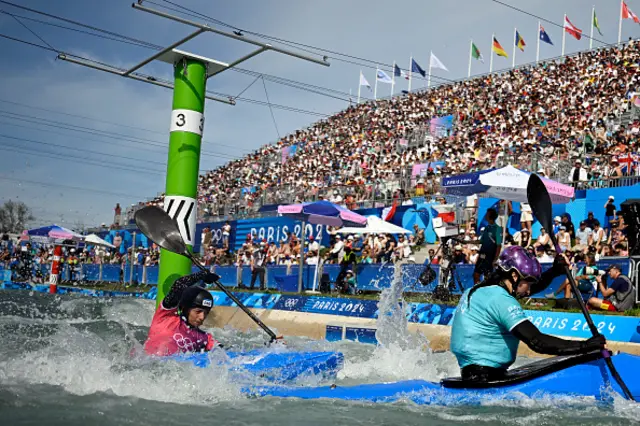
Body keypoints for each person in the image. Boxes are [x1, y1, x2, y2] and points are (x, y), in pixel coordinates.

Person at [451, 246, 607, 382]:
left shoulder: (476, 291)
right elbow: (537, 342)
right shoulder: (500, 299)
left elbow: (528, 288)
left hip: (471, 373)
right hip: (487, 378)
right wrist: (585, 346)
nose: (529, 290)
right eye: (529, 281)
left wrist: (554, 271)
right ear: (514, 276)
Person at [144, 270, 221, 356]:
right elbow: (179, 286)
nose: (202, 317)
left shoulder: (204, 338)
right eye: (198, 311)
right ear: (185, 308)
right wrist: (200, 275)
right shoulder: (165, 317)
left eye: (206, 313)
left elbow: (225, 354)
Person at [473, 208, 502, 284]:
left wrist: (495, 259)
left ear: (490, 216)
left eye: (487, 214)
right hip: (482, 254)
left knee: (488, 276)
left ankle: (487, 293)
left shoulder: (497, 229)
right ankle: (477, 291)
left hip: (490, 256)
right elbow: (481, 241)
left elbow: (499, 246)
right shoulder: (487, 228)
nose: (485, 215)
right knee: (476, 275)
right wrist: (466, 242)